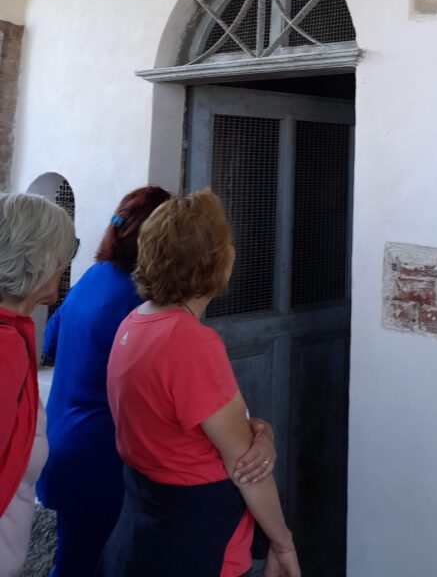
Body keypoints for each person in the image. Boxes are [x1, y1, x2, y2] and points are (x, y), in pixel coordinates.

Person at [38, 185, 278, 577]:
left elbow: (51, 341)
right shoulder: (151, 311)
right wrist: (257, 433)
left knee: (73, 559)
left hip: (63, 443)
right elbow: (206, 415)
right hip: (106, 460)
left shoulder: (94, 276)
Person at [98, 190, 300, 577]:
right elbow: (247, 469)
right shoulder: (190, 342)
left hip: (144, 533)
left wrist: (260, 431)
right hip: (197, 543)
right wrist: (283, 542)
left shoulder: (135, 322)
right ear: (215, 263)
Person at [0, 192, 78, 577]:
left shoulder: (14, 334)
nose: (64, 266)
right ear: (39, 259)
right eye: (63, 255)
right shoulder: (4, 347)